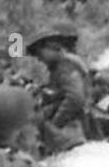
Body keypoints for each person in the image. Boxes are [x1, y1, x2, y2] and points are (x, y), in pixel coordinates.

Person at [26, 22, 91, 154]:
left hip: (76, 125)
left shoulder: (65, 66)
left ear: (52, 48)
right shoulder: (60, 66)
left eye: (40, 53)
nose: (39, 59)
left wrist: (56, 124)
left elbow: (75, 98)